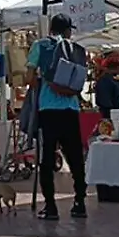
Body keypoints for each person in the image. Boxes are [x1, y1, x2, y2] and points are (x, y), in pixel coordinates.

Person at [27, 13, 89, 220]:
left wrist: (42, 85)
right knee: (75, 158)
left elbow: (30, 77)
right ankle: (80, 202)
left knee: (46, 159)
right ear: (68, 30)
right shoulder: (75, 49)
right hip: (71, 109)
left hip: (48, 109)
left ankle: (51, 206)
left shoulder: (40, 46)